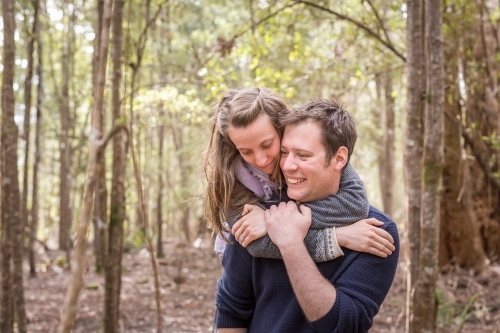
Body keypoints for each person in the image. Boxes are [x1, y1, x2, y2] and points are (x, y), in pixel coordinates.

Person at [215, 98, 399, 332]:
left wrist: (291, 241)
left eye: (303, 155)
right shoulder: (255, 215)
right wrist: (333, 237)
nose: (287, 165)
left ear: (340, 159)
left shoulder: (376, 231)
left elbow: (344, 325)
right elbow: (232, 311)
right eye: (284, 152)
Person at [203, 87, 395, 264]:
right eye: (246, 151)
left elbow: (354, 205)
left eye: (267, 144)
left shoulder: (315, 153)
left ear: (283, 129)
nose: (261, 160)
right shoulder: (230, 179)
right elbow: (258, 244)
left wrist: (271, 221)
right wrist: (338, 237)